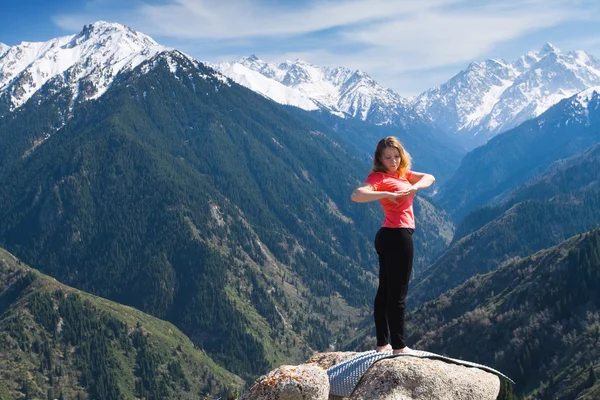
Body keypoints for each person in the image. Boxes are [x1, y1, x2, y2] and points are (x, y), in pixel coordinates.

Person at [351, 136, 435, 355]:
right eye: (388, 157)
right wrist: (386, 193)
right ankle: (399, 347)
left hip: (387, 235)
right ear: (379, 158)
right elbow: (357, 195)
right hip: (398, 235)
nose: (393, 161)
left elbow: (430, 177)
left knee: (386, 291)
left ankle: (382, 344)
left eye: (396, 156)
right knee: (397, 293)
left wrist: (414, 187)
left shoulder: (403, 174)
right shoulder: (378, 177)